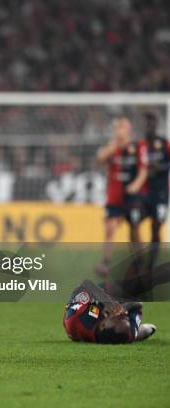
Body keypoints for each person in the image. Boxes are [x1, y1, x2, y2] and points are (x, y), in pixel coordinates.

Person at [95, 117, 148, 275]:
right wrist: (111, 148)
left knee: (134, 230)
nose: (119, 131)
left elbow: (143, 170)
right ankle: (105, 264)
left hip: (132, 197)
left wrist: (136, 185)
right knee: (110, 229)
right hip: (114, 196)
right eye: (117, 128)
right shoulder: (112, 148)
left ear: (129, 131)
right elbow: (100, 158)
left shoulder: (138, 147)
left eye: (122, 128)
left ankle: (141, 262)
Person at [63, 279, 156, 344]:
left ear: (103, 325)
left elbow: (85, 284)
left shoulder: (78, 318)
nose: (122, 315)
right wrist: (124, 308)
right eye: (124, 317)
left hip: (82, 310)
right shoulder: (128, 333)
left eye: (118, 318)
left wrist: (109, 303)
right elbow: (138, 304)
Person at [141, 112, 169, 271]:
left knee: (156, 226)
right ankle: (138, 258)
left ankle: (151, 263)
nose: (149, 127)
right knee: (134, 222)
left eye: (152, 124)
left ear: (156, 126)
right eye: (147, 124)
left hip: (160, 195)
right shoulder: (139, 146)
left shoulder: (164, 144)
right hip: (143, 195)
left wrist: (161, 167)